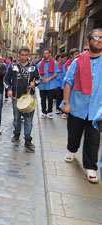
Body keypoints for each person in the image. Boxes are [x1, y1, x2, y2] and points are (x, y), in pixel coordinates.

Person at [62, 28, 102, 183]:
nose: (99, 40)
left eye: (101, 38)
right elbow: (68, 82)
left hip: (97, 110)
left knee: (93, 139)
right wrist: (66, 103)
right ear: (88, 42)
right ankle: (72, 150)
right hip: (77, 106)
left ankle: (90, 167)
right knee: (74, 133)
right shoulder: (78, 61)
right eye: (96, 37)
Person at [4, 46, 40, 151]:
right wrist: (9, 89)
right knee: (16, 118)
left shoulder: (33, 66)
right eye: (22, 55)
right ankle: (16, 134)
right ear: (18, 55)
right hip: (16, 98)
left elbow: (38, 79)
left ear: (28, 55)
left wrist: (34, 83)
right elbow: (6, 80)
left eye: (26, 55)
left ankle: (28, 140)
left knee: (28, 120)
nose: (23, 57)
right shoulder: (13, 66)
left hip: (28, 98)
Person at [37, 49, 59, 119]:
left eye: (47, 53)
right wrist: (41, 78)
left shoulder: (54, 63)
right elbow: (36, 73)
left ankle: (49, 111)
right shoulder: (40, 64)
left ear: (50, 54)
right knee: (42, 99)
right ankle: (43, 112)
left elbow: (56, 73)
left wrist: (49, 78)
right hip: (42, 85)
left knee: (50, 99)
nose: (45, 55)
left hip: (51, 84)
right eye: (44, 53)